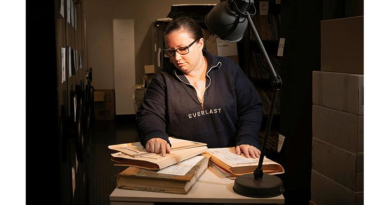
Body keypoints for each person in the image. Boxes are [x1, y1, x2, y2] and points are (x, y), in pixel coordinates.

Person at [136, 16, 263, 158]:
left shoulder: (228, 69)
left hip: (231, 155)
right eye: (171, 51)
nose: (177, 58)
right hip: (183, 159)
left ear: (200, 43)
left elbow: (251, 108)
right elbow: (149, 114)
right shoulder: (163, 80)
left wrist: (248, 138)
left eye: (183, 49)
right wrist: (154, 134)